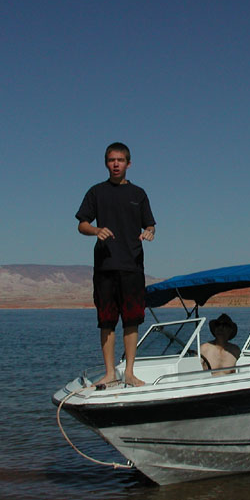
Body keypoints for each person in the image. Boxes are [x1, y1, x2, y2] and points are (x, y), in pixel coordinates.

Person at [76, 142, 156, 387]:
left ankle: (129, 373)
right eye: (112, 160)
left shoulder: (138, 194)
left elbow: (150, 224)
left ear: (128, 163)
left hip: (132, 265)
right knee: (106, 320)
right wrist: (96, 230)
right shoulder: (96, 192)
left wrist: (150, 232)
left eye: (120, 160)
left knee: (132, 320)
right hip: (105, 266)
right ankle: (110, 373)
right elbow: (82, 224)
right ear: (106, 163)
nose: (116, 164)